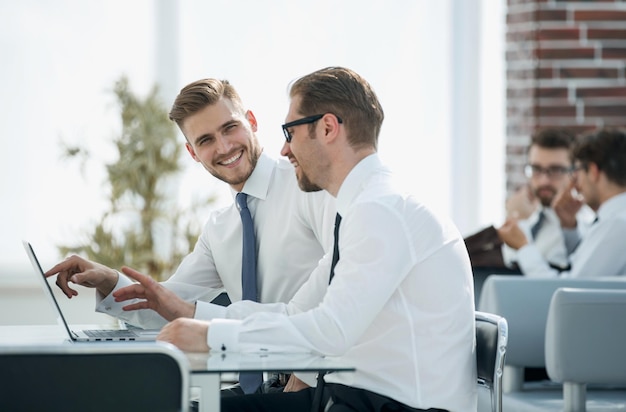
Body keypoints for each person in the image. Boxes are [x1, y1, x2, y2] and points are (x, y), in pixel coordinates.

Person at [131, 66, 477, 411]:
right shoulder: (361, 208)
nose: (283, 150)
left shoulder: (382, 210)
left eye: (290, 133)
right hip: (350, 397)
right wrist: (200, 324)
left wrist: (211, 337)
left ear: (327, 128)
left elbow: (332, 330)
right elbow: (294, 312)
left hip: (390, 405)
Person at [45, 78, 336, 394]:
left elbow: (345, 279)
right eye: (206, 140)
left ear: (251, 121)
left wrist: (307, 373)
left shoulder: (307, 186)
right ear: (193, 152)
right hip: (264, 384)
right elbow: (168, 305)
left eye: (229, 128)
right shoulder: (220, 228)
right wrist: (107, 280)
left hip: (318, 380)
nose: (223, 147)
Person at [498, 128, 626, 278]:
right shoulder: (609, 222)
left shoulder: (614, 224)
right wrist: (569, 230)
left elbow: (571, 291)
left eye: (556, 170)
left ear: (593, 171)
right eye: (536, 169)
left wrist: (523, 247)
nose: (544, 180)